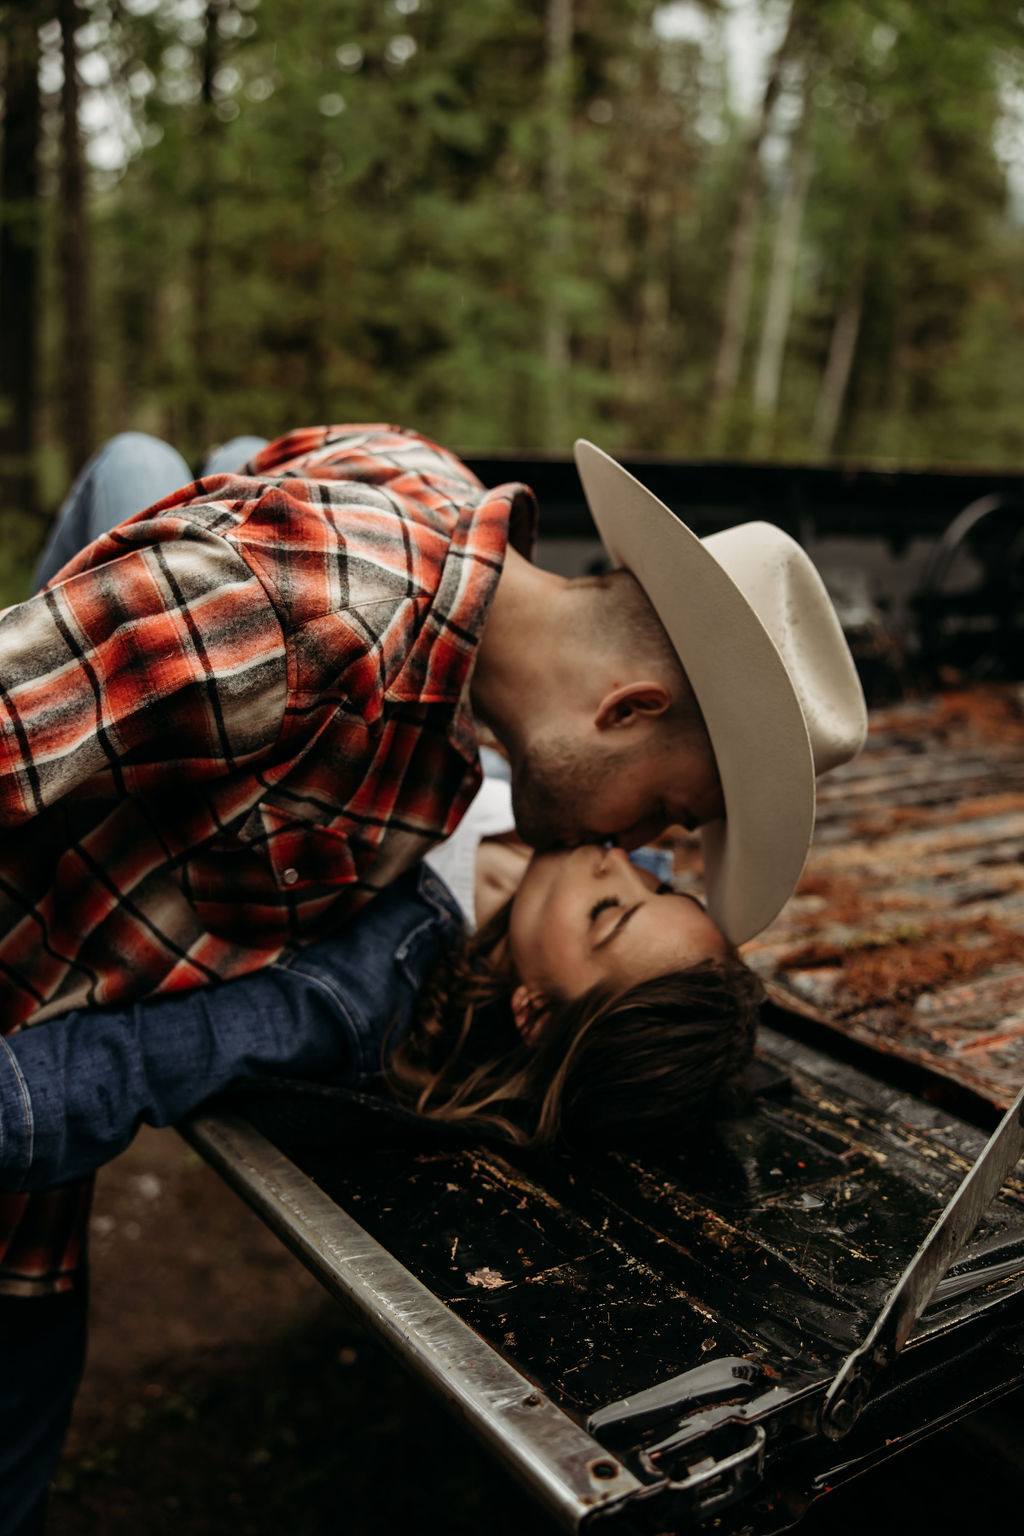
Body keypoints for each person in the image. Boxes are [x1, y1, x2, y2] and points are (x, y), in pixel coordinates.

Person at [0, 424, 867, 1531]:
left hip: (88, 911)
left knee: (144, 465)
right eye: (667, 812)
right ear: (628, 709)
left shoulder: (435, 523)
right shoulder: (308, 617)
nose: (644, 847)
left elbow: (248, 453)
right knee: (136, 471)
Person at [0, 759, 762, 1191]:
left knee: (139, 466)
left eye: (608, 910)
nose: (618, 860)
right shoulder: (578, 821)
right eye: (659, 886)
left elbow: (127, 1066)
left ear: (533, 1010)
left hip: (109, 801)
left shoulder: (355, 993)